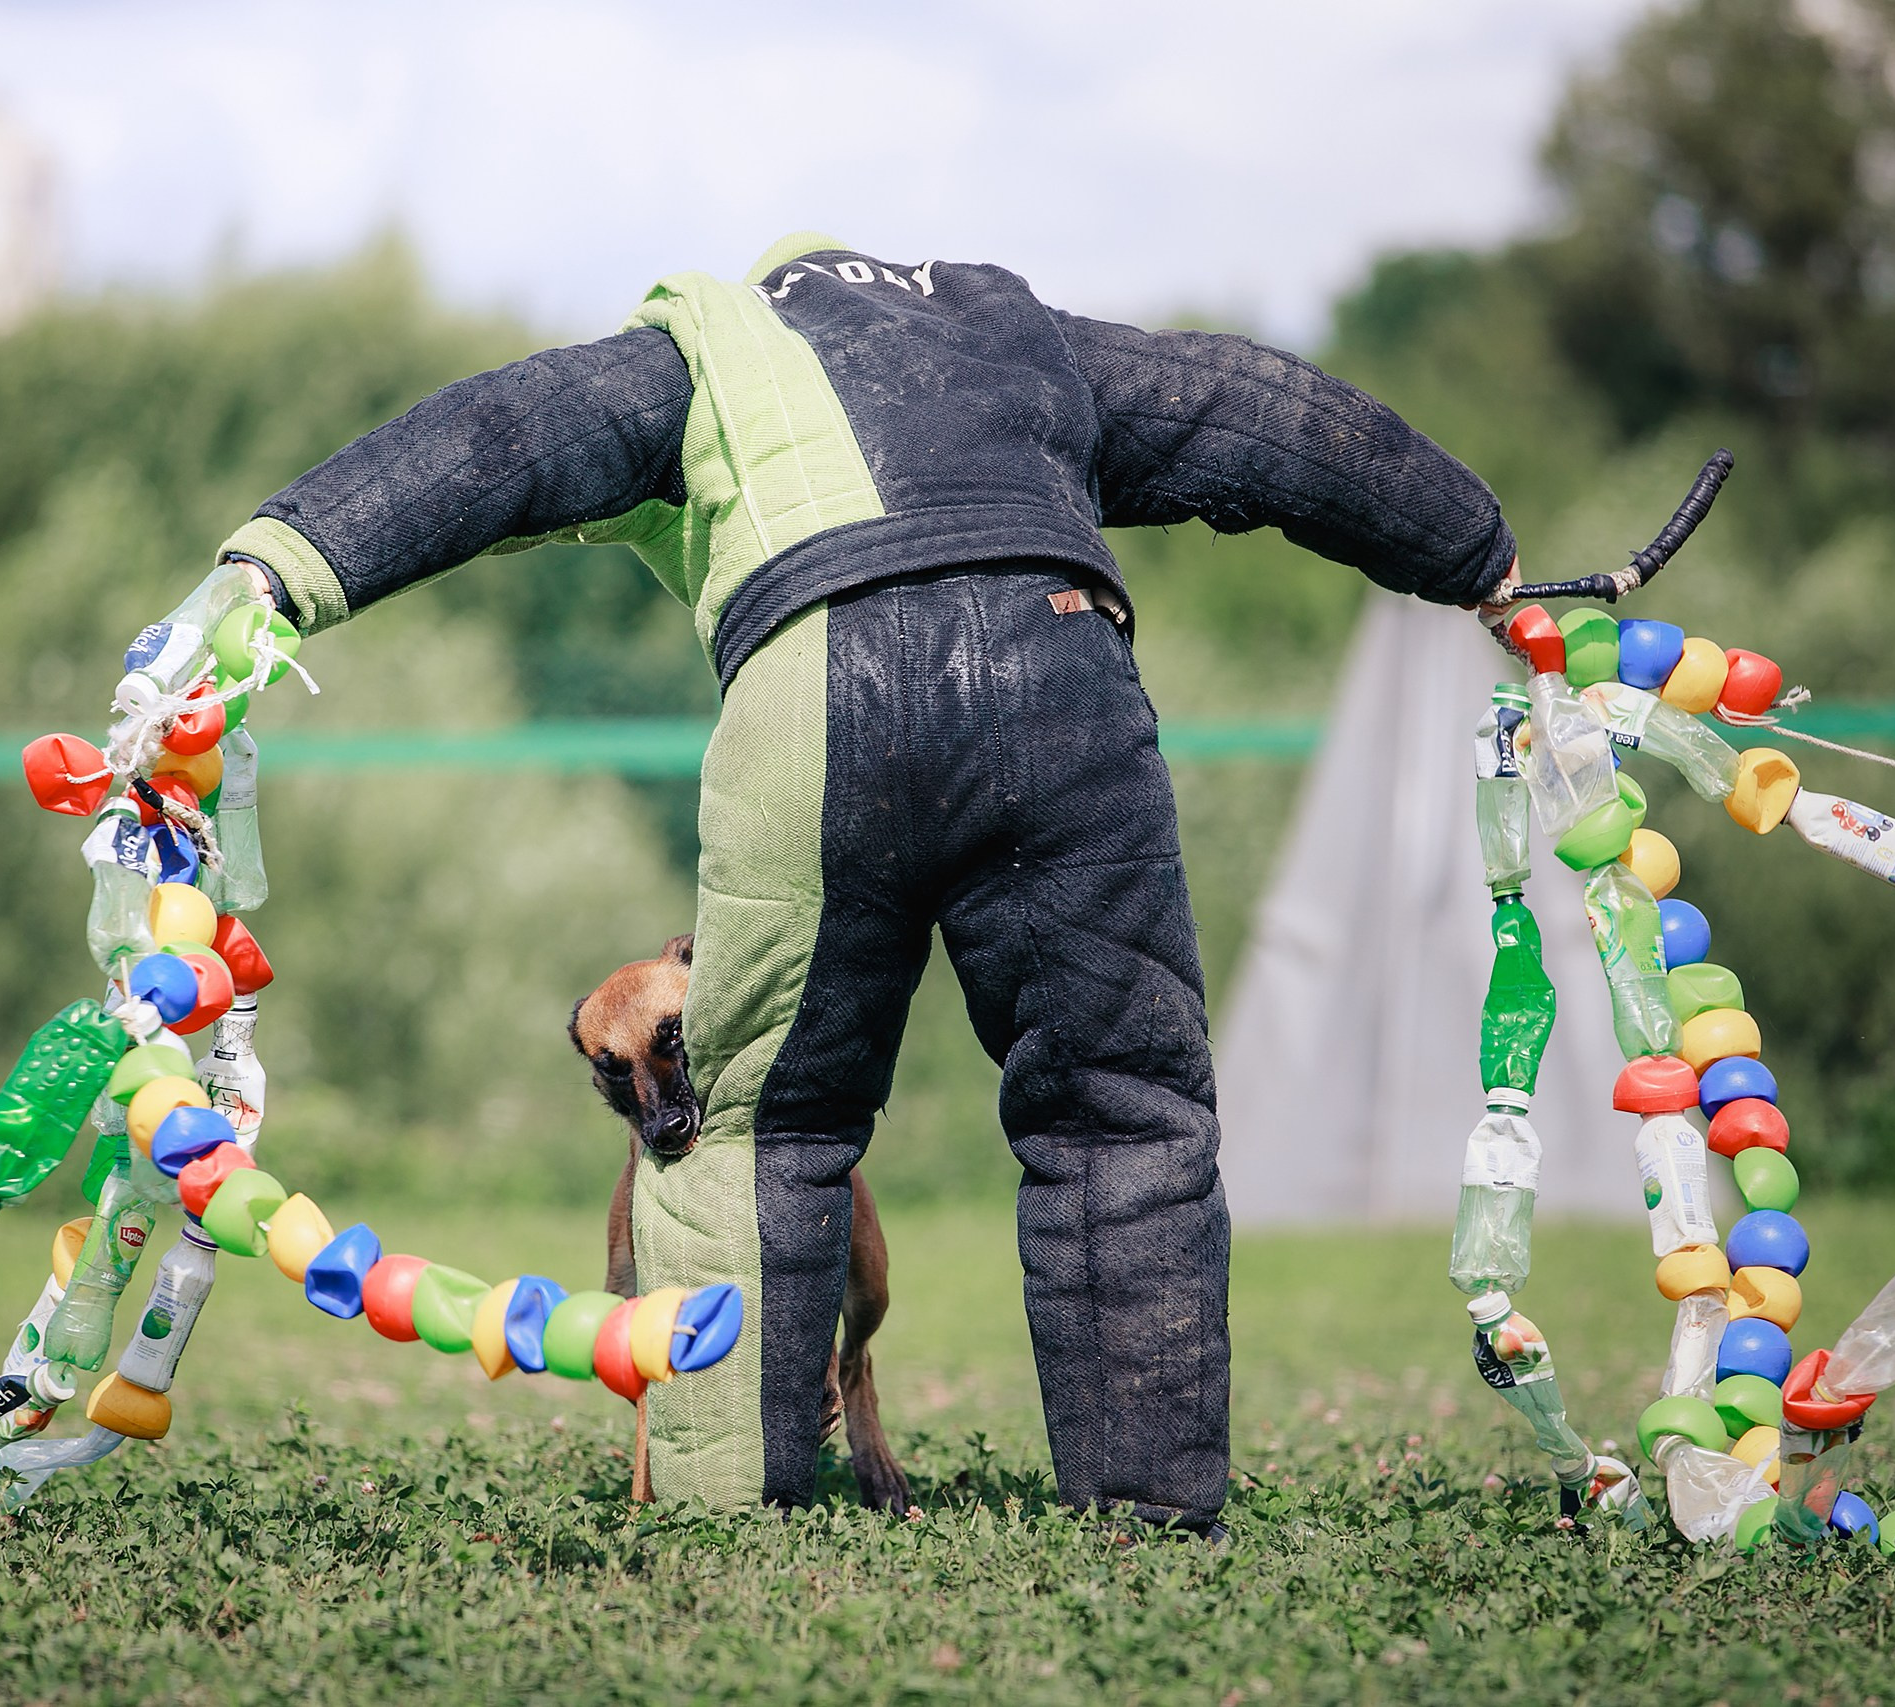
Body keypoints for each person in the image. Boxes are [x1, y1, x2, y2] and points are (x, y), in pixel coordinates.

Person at [197, 234, 1518, 1532]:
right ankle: (1149, 1507)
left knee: (754, 1122)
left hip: (812, 689)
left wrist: (276, 567)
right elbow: (1257, 415)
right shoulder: (1022, 334)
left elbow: (498, 441)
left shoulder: (709, 348)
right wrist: (1483, 561)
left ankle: (722, 1505)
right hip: (1062, 675)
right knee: (1123, 1109)